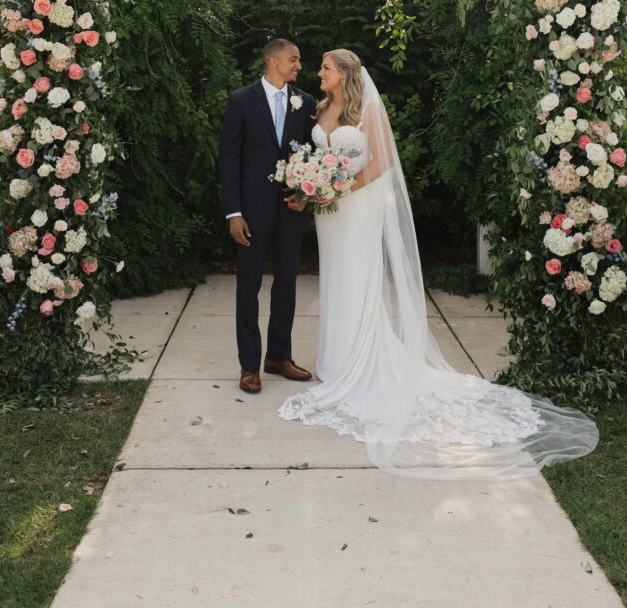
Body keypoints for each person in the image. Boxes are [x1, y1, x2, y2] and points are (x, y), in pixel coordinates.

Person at [278, 49, 600, 480]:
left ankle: (361, 362)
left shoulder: (367, 108)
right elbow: (316, 156)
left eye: (326, 68)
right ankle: (335, 360)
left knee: (359, 279)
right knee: (336, 279)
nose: (320, 73)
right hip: (328, 210)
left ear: (346, 74)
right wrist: (313, 185)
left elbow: (382, 162)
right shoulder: (321, 107)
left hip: (357, 205)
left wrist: (341, 188)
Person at [220, 39, 316, 394]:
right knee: (248, 287)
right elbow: (229, 160)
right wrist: (234, 212)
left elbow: (311, 154)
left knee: (287, 283)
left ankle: (279, 357)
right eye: (294, 59)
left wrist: (307, 194)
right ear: (272, 60)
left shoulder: (304, 102)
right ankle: (249, 365)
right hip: (251, 211)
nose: (298, 66)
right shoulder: (241, 100)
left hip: (290, 210)